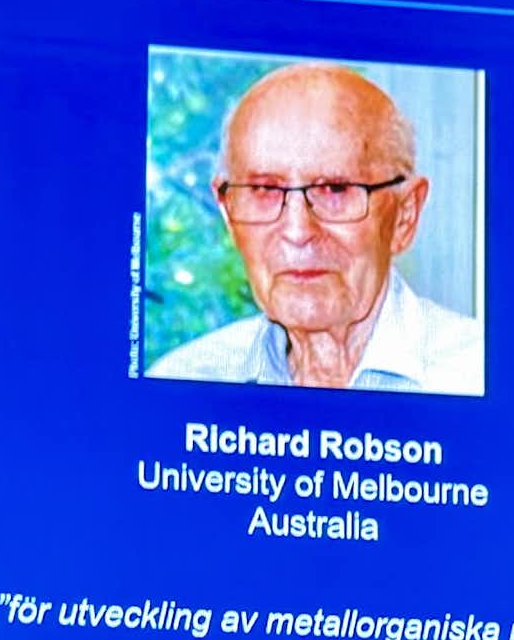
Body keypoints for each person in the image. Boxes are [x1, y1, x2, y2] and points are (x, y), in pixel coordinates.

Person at [146, 63, 481, 394]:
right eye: (265, 190)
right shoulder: (185, 381)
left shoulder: (479, 377)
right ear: (228, 213)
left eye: (335, 189)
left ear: (405, 215)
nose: (297, 231)